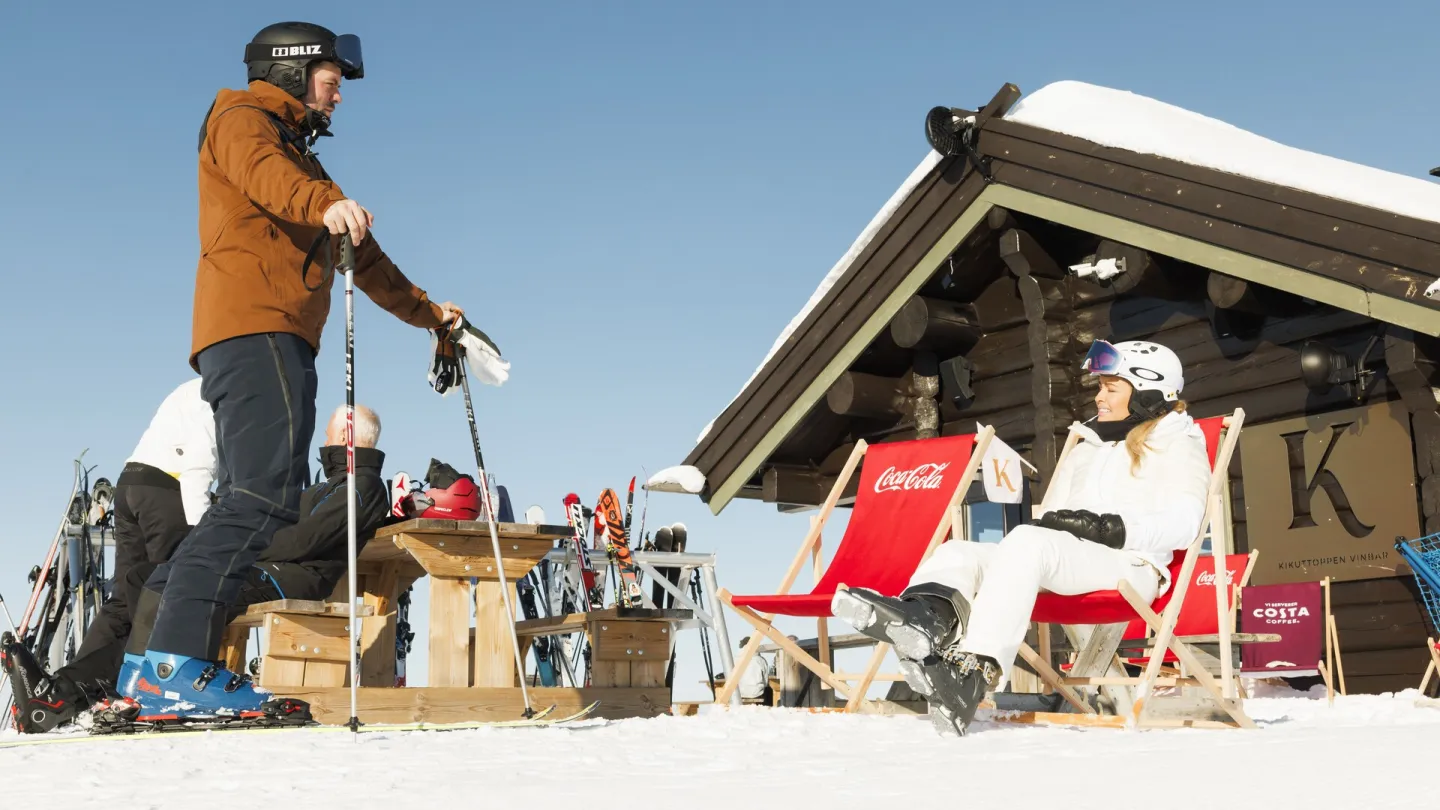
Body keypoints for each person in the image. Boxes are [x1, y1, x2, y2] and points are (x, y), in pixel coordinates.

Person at [120, 20, 484, 725]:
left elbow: (366, 259)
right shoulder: (242, 118)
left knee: (259, 498)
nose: (339, 95)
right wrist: (323, 204)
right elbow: (266, 179)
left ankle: (154, 664)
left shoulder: (304, 161)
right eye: (331, 80)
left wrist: (431, 315)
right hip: (255, 326)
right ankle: (172, 667)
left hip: (279, 335)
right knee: (260, 500)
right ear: (291, 69)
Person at [832, 340, 1211, 736]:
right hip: (1073, 560)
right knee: (959, 551)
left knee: (1028, 542)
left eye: (1110, 388)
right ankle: (926, 620)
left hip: (1133, 566)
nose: (1098, 396)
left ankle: (975, 672)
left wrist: (1110, 529)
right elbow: (1051, 518)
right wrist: (1060, 524)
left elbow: (1186, 523)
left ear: (1148, 393)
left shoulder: (1177, 443)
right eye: (1099, 386)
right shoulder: (1089, 445)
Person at [4, 405, 391, 731]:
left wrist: (240, 544)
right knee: (149, 579)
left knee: (182, 584)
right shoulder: (329, 486)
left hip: (289, 578)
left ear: (346, 436)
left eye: (328, 435)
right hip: (264, 567)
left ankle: (123, 688)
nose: (323, 443)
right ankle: (74, 692)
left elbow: (307, 539)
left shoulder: (364, 486)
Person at [2, 379, 216, 732]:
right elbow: (199, 467)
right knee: (164, 597)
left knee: (125, 601)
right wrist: (202, 532)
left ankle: (59, 696)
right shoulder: (227, 388)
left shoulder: (189, 387)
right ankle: (143, 688)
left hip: (131, 481)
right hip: (171, 490)